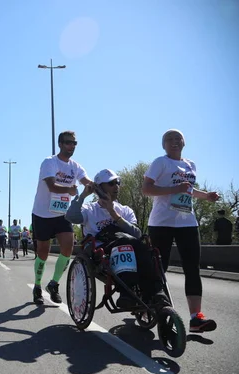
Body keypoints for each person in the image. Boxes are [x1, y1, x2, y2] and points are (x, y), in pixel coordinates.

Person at [143, 129, 219, 333]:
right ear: (164, 145)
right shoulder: (161, 162)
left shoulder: (190, 164)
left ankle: (196, 318)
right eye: (169, 139)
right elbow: (147, 189)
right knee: (161, 267)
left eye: (178, 138)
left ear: (184, 142)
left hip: (187, 222)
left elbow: (188, 190)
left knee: (192, 268)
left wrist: (206, 196)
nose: (174, 141)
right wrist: (173, 190)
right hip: (162, 222)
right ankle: (156, 306)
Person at [66, 169, 169, 308]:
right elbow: (71, 217)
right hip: (101, 250)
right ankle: (127, 294)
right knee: (125, 244)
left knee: (146, 249)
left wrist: (113, 213)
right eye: (111, 183)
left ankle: (156, 293)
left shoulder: (125, 210)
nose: (116, 186)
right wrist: (83, 195)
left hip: (128, 245)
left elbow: (137, 234)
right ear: (99, 188)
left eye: (117, 182)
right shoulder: (89, 209)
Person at [31, 131, 92, 305]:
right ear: (60, 144)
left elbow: (86, 181)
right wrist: (69, 190)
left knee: (68, 248)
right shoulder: (50, 162)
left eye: (74, 143)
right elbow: (51, 186)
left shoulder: (76, 166)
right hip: (42, 214)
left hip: (62, 215)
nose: (71, 146)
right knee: (43, 252)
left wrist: (98, 187)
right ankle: (37, 286)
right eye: (67, 143)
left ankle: (53, 284)